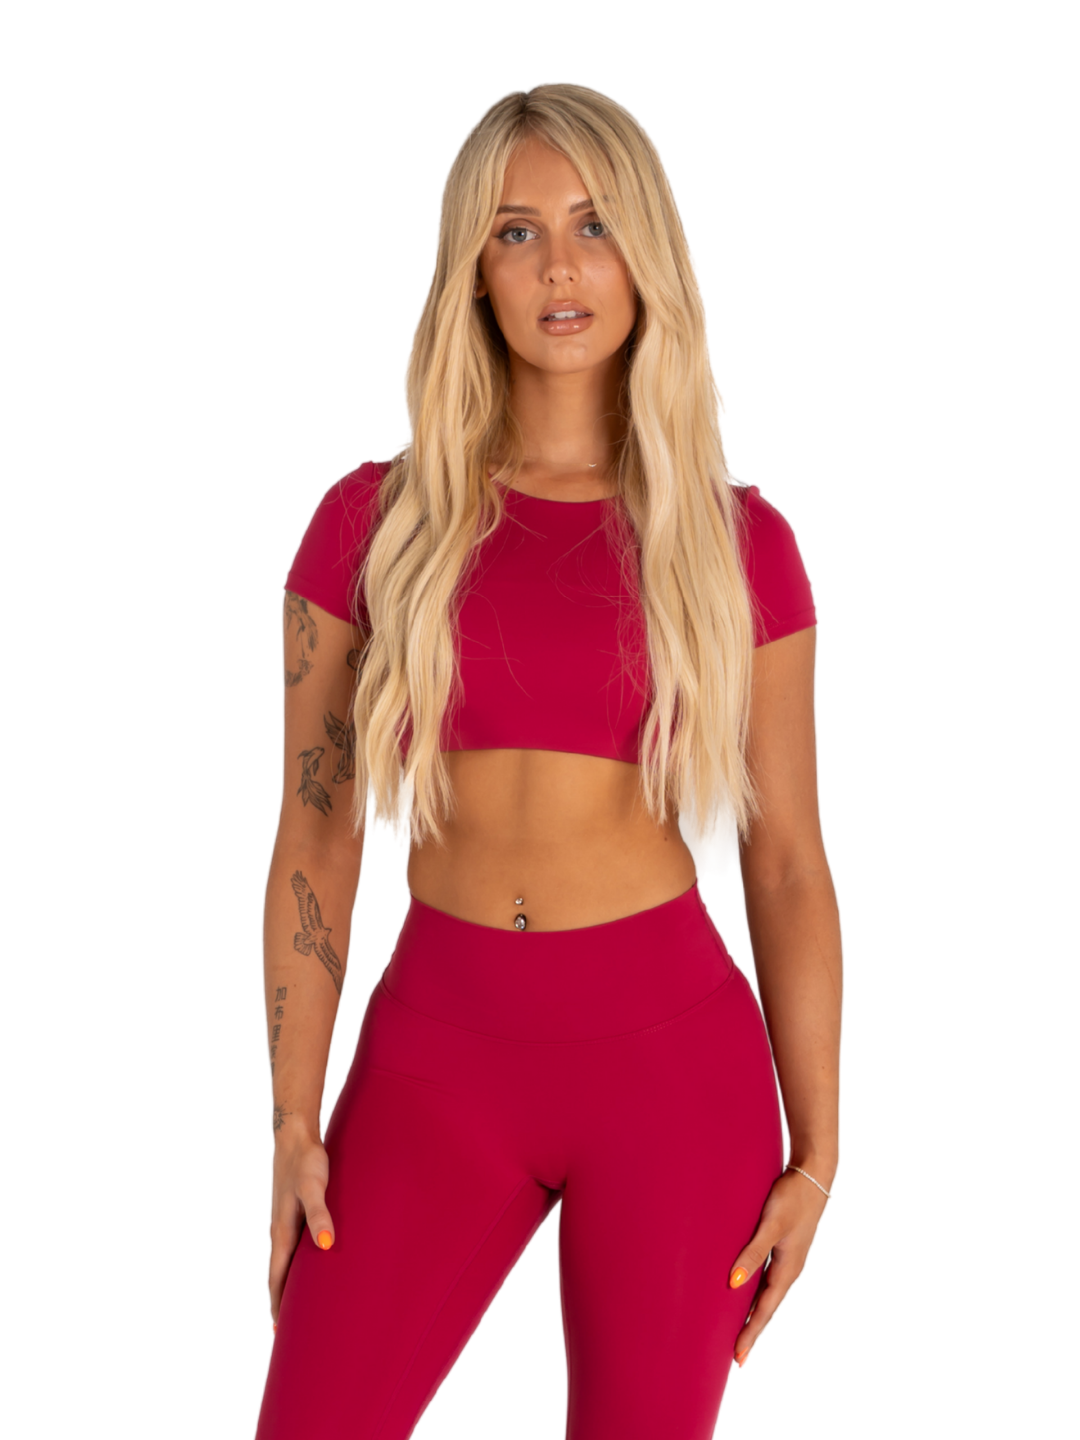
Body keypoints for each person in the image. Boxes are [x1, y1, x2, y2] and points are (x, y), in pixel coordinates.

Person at [254, 83, 841, 1440]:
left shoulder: (737, 545)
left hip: (672, 1074)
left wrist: (818, 1154)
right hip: (435, 1067)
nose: (560, 267)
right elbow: (315, 833)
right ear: (474, 269)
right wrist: (291, 1119)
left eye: (593, 225)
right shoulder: (372, 525)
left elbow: (789, 862)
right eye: (517, 232)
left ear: (647, 254)